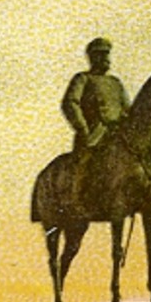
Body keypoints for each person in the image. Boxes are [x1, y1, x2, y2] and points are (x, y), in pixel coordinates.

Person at [61, 37, 131, 192]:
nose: (106, 59)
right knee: (85, 166)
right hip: (94, 132)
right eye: (101, 54)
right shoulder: (83, 78)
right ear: (92, 57)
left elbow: (128, 109)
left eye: (107, 54)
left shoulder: (115, 82)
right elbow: (70, 103)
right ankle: (78, 195)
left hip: (118, 132)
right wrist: (82, 127)